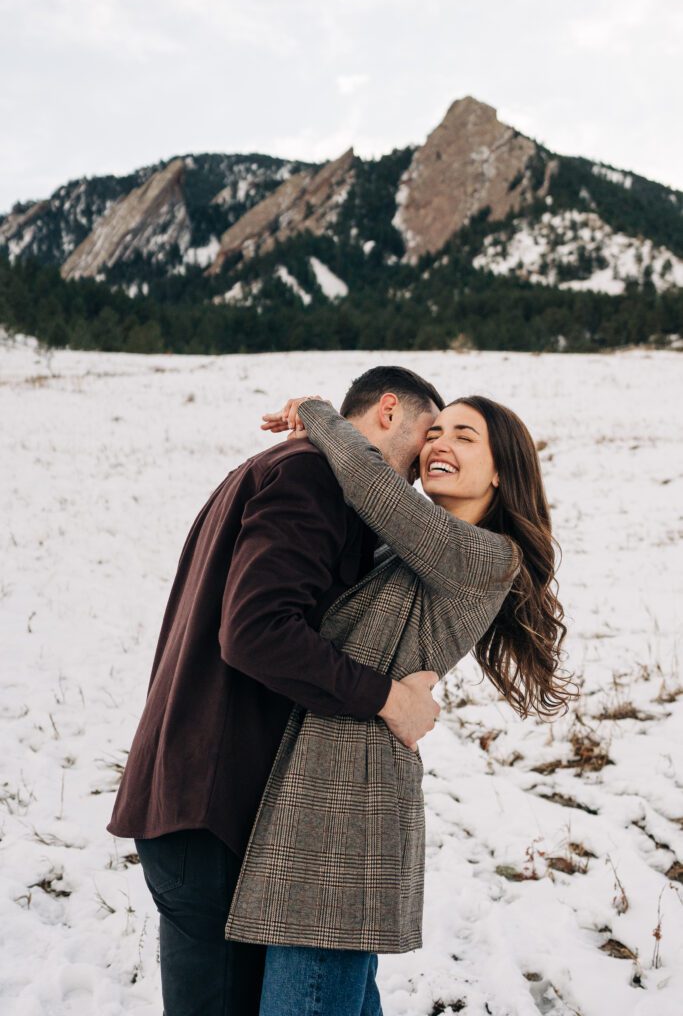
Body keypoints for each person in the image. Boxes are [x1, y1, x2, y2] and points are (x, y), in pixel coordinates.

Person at [106, 366, 447, 1016]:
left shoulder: (283, 466)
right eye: (426, 434)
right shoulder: (311, 477)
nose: (417, 471)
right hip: (211, 813)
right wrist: (386, 697)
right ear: (385, 410)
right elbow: (257, 632)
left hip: (197, 801)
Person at [223, 392, 577, 1016]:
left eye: (465, 436)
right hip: (335, 785)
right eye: (435, 431)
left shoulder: (486, 556)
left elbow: (374, 487)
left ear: (501, 471)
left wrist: (317, 412)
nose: (440, 443)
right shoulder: (409, 549)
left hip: (350, 806)